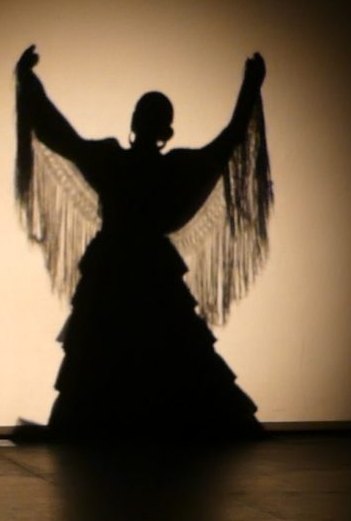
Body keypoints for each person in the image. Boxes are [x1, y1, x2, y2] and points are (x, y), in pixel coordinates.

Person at [14, 45, 272, 441]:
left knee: (104, 354)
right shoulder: (167, 167)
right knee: (170, 350)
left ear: (137, 123)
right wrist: (250, 87)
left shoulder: (113, 160)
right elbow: (229, 140)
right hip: (149, 271)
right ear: (164, 131)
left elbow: (57, 133)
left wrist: (30, 83)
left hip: (117, 269)